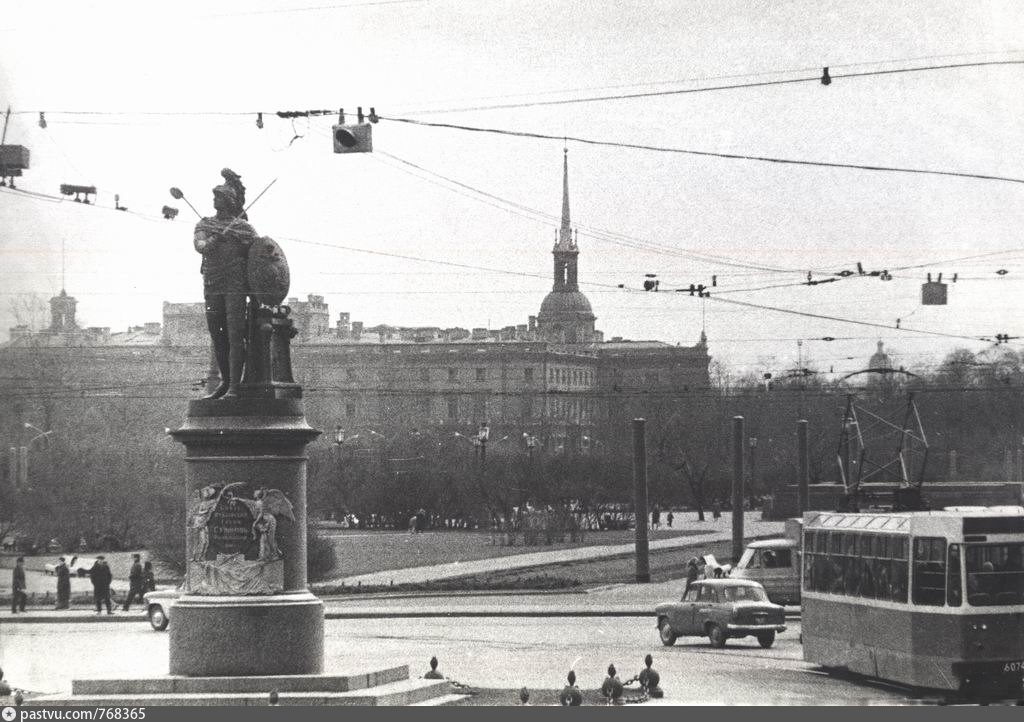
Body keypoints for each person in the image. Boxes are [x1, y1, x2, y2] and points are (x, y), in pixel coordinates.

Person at [193, 169, 258, 399]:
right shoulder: (205, 224)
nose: (214, 200)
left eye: (218, 197)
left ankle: (235, 386)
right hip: (212, 284)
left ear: (229, 202)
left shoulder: (244, 228)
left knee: (234, 333)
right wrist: (214, 240)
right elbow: (199, 246)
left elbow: (259, 255)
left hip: (235, 285)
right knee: (216, 334)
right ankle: (226, 381)